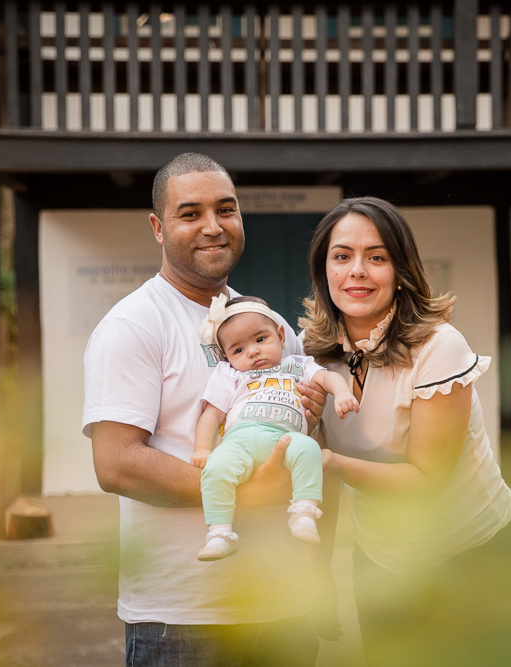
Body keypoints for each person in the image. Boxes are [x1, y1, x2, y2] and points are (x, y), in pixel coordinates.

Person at [83, 153, 330, 666]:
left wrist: (313, 418)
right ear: (158, 227)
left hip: (284, 605)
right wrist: (247, 493)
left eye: (226, 209)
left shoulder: (267, 325)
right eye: (190, 213)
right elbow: (117, 463)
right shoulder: (134, 325)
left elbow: (308, 439)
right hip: (184, 615)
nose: (213, 226)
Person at [300, 197, 511, 666]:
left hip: (478, 559)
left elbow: (427, 482)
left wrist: (330, 462)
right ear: (323, 270)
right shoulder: (314, 354)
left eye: (377, 256)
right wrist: (319, 571)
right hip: (381, 564)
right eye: (342, 256)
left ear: (401, 269)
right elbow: (318, 481)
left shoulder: (438, 347)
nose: (357, 270)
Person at [191, 294, 359, 560]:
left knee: (309, 450)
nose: (253, 351)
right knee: (216, 469)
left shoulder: (298, 365)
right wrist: (202, 448)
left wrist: (342, 393)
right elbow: (211, 415)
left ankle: (304, 512)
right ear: (226, 357)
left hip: (285, 438)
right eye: (238, 350)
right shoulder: (230, 375)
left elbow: (328, 378)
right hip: (238, 442)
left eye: (260, 339)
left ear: (281, 336)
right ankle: (220, 532)